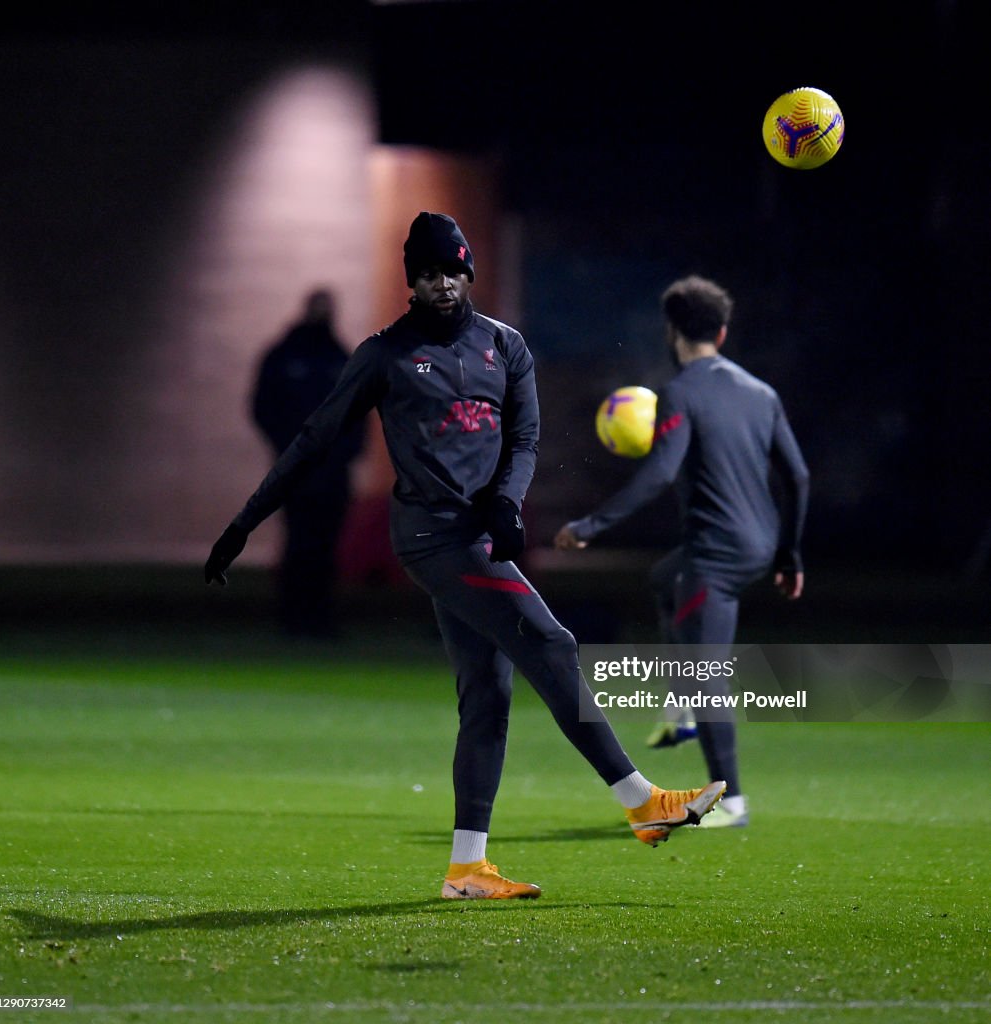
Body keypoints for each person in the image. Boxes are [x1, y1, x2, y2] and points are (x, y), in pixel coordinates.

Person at [204, 213, 724, 900]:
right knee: (552, 640)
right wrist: (244, 523)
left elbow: (526, 441)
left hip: (477, 535)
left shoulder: (504, 349)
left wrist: (507, 503)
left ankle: (466, 869)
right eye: (425, 274)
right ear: (410, 281)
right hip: (431, 537)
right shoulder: (385, 355)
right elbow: (311, 440)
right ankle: (640, 800)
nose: (440, 284)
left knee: (488, 695)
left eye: (450, 270)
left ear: (467, 271)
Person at [555, 275, 809, 829]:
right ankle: (683, 706)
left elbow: (659, 476)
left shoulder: (682, 391)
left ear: (672, 332)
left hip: (717, 555)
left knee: (705, 669)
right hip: (759, 545)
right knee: (666, 580)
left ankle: (733, 802)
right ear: (721, 331)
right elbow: (799, 475)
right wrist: (790, 554)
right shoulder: (760, 392)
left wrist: (592, 524)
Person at [251, 289, 366, 637]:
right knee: (298, 540)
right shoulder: (285, 356)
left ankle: (320, 617)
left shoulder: (340, 357)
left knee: (326, 543)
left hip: (332, 470)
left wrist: (346, 451)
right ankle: (293, 616)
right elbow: (263, 408)